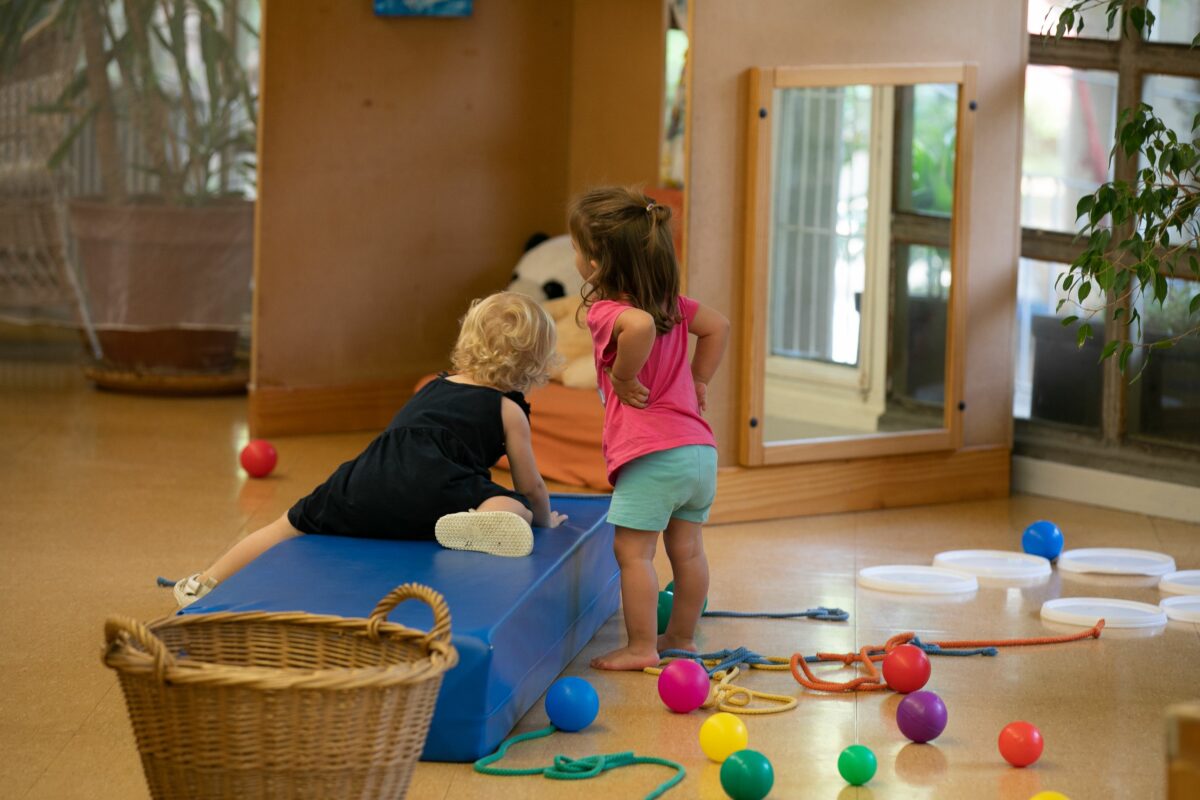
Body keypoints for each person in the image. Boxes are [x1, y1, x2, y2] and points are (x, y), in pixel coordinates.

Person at [172, 291, 569, 608]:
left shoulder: (435, 384)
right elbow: (530, 483)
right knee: (512, 505)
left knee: (286, 525)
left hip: (369, 480)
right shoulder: (508, 409)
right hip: (439, 493)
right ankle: (478, 520)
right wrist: (542, 520)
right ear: (536, 363)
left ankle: (203, 582)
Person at [568, 186, 730, 670]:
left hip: (652, 454)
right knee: (688, 550)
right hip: (699, 452)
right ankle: (681, 638)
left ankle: (641, 647)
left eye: (576, 249)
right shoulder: (673, 304)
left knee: (634, 552)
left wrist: (623, 376)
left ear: (595, 263)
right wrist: (699, 379)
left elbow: (637, 327)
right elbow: (718, 325)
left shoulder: (608, 311)